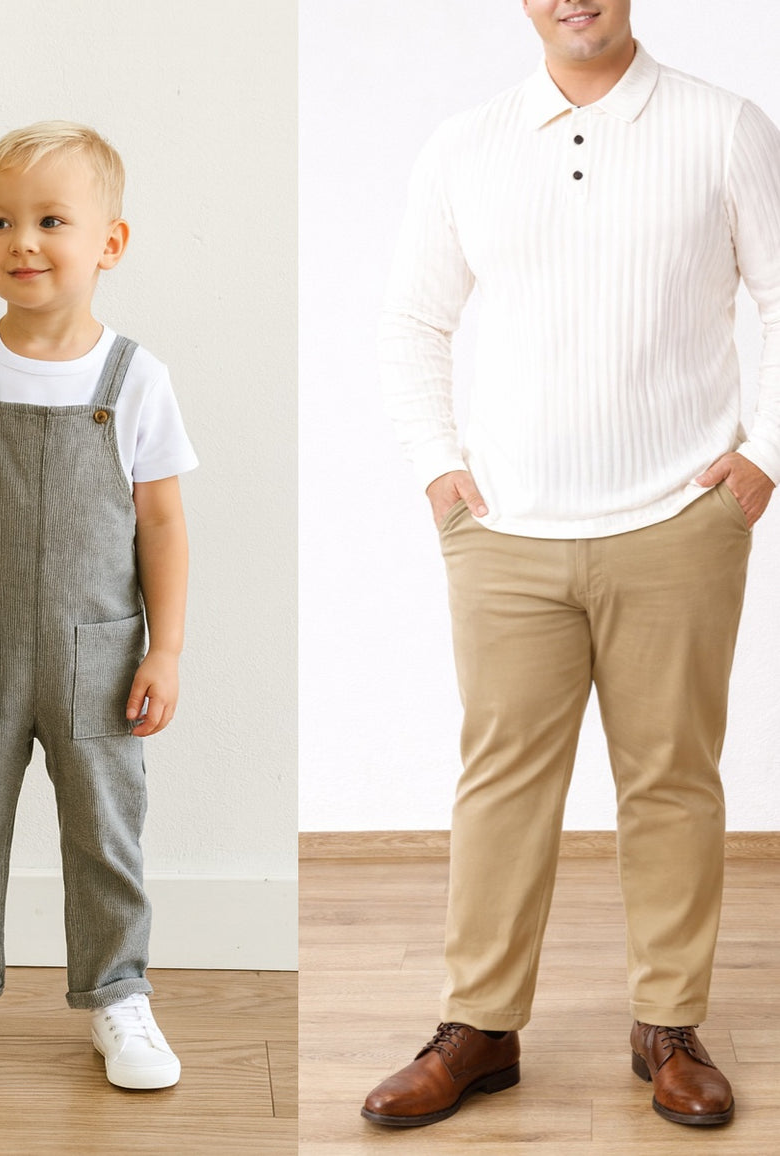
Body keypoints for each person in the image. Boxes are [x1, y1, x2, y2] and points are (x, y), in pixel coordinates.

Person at [366, 0, 780, 1130]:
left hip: (677, 521)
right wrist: (439, 473)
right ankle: (481, 1024)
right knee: (499, 781)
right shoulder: (465, 143)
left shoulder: (719, 126)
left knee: (671, 776)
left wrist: (761, 457)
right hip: (503, 531)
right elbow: (413, 319)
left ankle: (667, 1023)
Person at [0, 121, 197, 1090]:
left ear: (108, 242)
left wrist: (166, 648)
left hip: (99, 657)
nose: (20, 241)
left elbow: (161, 525)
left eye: (49, 220)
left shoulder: (137, 381)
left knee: (105, 829)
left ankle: (118, 996)